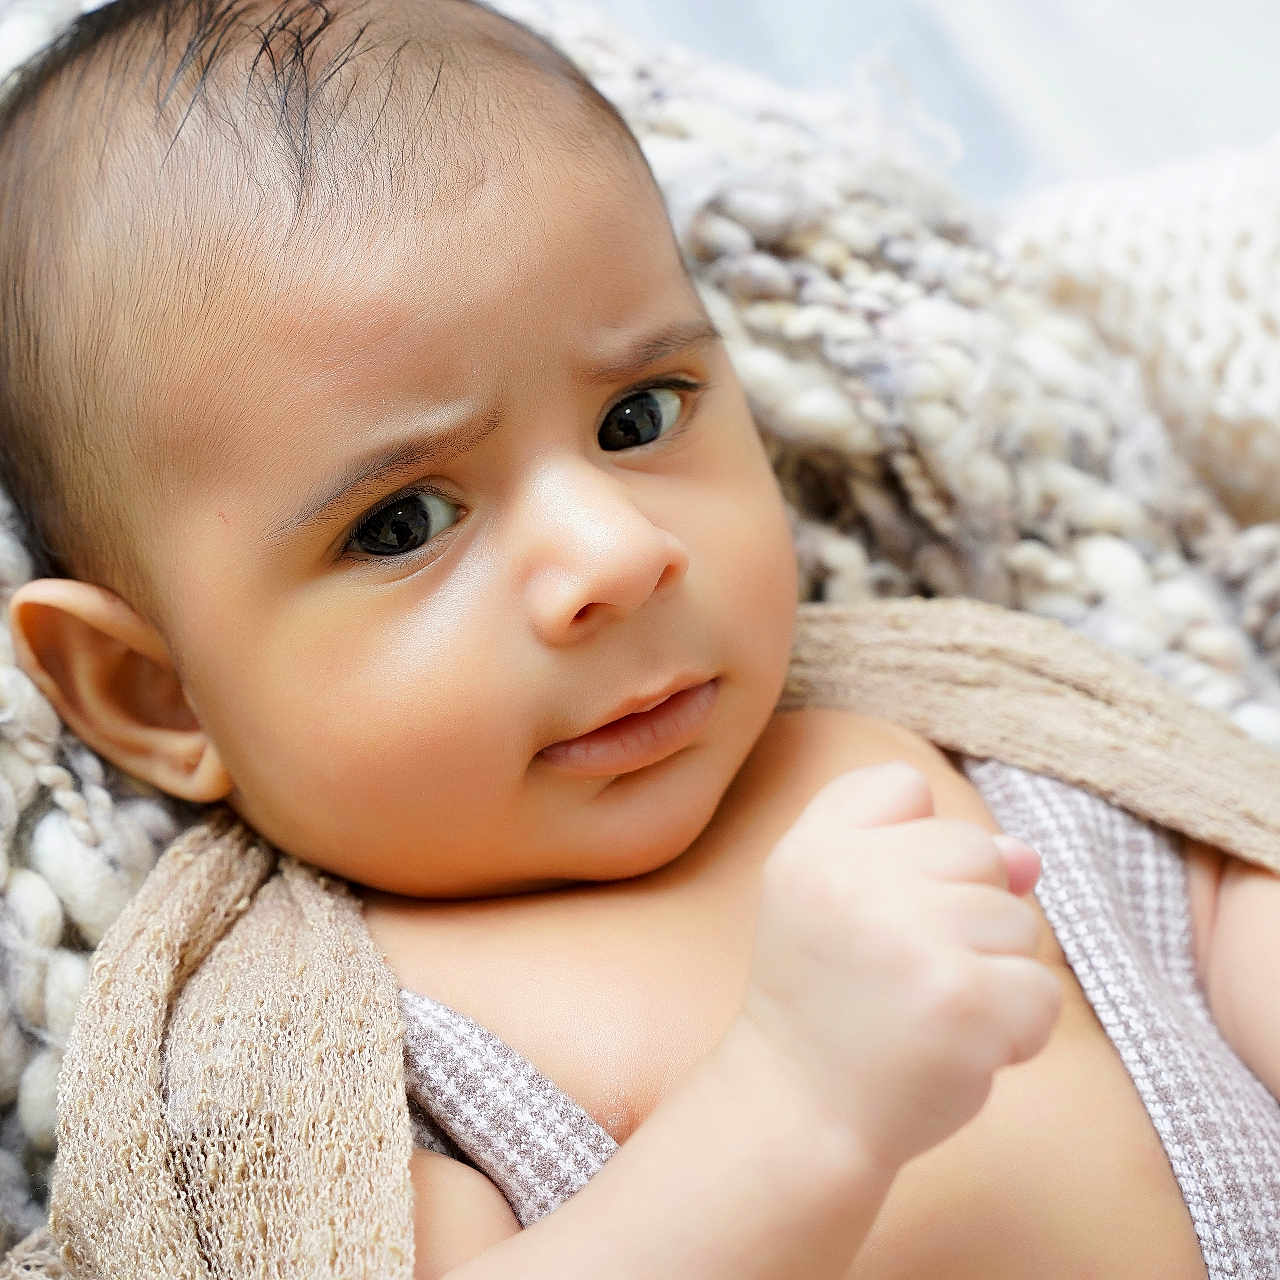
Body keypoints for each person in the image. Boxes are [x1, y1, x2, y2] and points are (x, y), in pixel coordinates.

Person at [0, 0, 1276, 1275]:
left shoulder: (970, 728)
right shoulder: (305, 1050)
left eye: (636, 415)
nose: (614, 554)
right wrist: (795, 1104)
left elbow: (1219, 882)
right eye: (401, 523)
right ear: (158, 691)